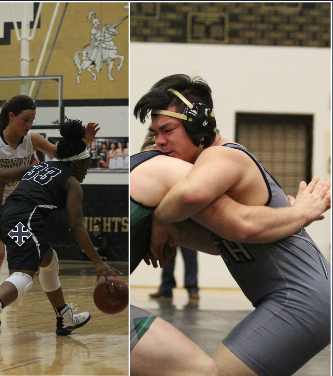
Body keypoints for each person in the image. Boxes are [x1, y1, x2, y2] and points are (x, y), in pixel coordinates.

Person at [133, 74, 331, 376]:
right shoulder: (206, 168)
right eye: (155, 133)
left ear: (198, 125)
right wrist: (177, 230)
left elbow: (200, 201)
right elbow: (221, 241)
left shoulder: (222, 156)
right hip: (295, 297)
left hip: (301, 299)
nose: (159, 142)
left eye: (168, 130)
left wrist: (161, 219)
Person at [0, 118, 121, 350]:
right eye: (88, 164)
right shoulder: (72, 183)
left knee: (48, 259)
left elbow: (2, 177)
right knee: (26, 272)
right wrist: (98, 262)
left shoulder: (40, 166)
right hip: (24, 219)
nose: (87, 170)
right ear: (79, 163)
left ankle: (63, 316)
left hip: (5, 217)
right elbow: (76, 226)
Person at [0, 95, 99, 333]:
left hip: (13, 206)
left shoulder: (31, 139)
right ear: (11, 116)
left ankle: (0, 307)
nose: (29, 125)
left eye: (32, 120)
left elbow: (64, 157)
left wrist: (85, 141)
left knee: (39, 259)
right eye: (25, 119)